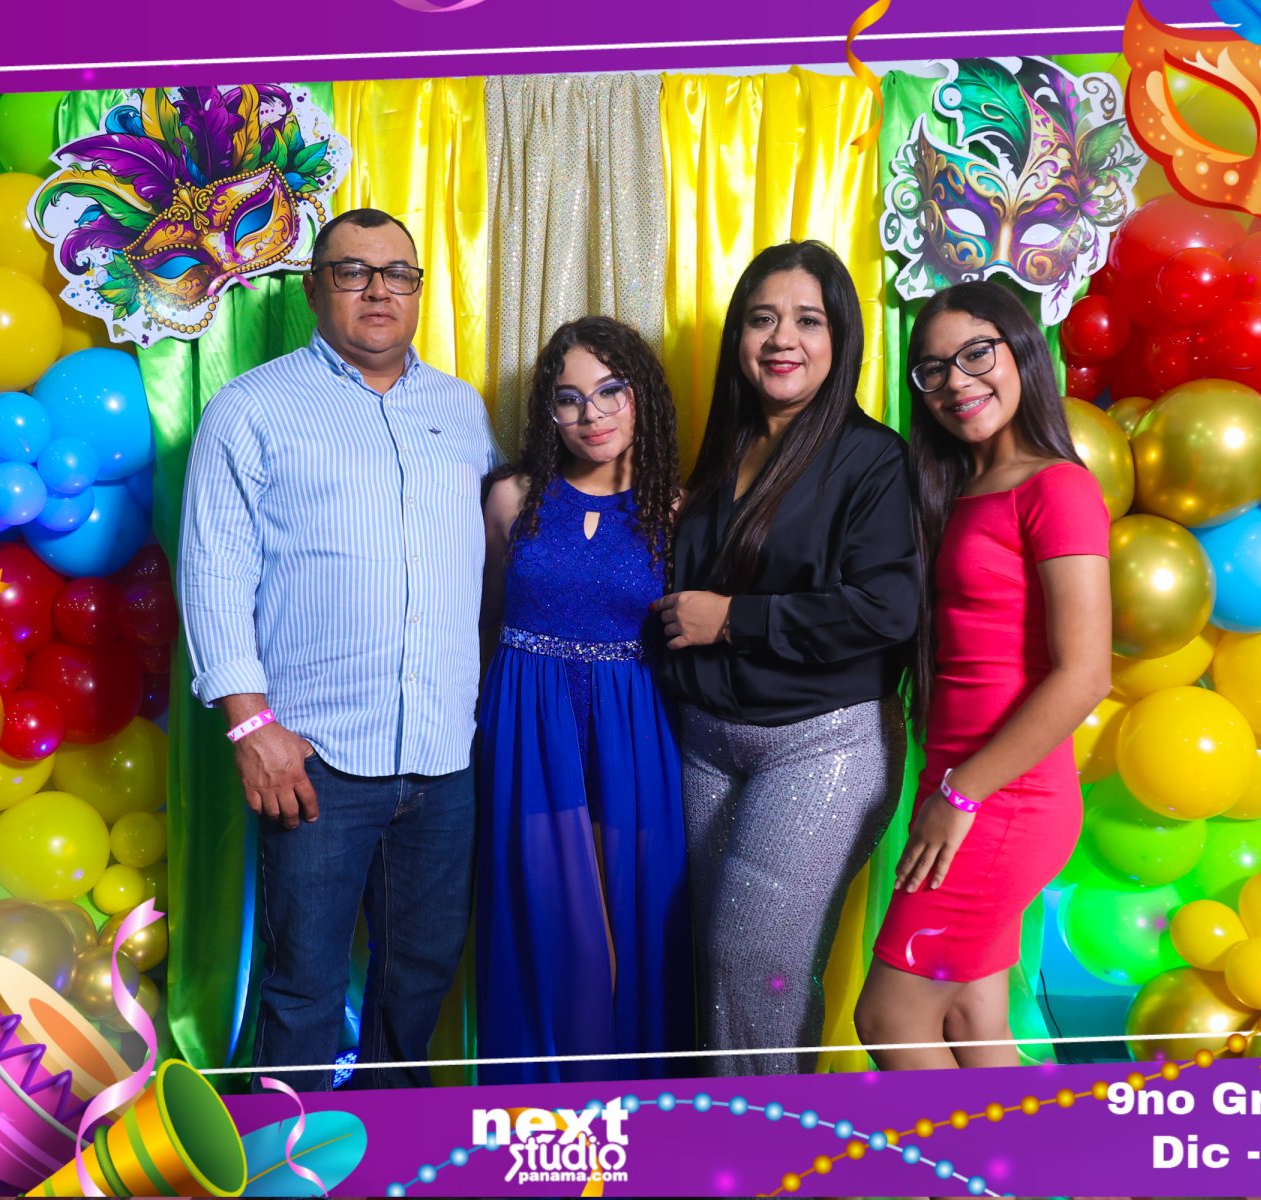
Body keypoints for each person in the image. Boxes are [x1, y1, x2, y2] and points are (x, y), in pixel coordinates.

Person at [178, 208, 500, 1090]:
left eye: (398, 273)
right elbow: (213, 571)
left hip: (444, 757)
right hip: (315, 760)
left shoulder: (461, 410)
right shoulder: (253, 409)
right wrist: (251, 728)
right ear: (315, 288)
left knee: (419, 985)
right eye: (353, 271)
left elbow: (497, 552)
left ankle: (390, 1149)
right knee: (302, 989)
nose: (377, 290)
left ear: (418, 291)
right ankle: (288, 1154)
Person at [655, 240, 921, 1076]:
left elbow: (886, 609)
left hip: (820, 744)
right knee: (715, 969)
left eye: (808, 320)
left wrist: (733, 619)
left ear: (840, 338)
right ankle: (728, 1132)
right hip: (705, 743)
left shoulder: (872, 458)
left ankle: (765, 1142)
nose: (782, 339)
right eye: (763, 319)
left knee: (754, 967)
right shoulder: (726, 450)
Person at [854, 280, 1111, 1069]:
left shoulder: (1058, 486)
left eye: (976, 355)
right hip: (963, 789)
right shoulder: (954, 491)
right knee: (973, 1018)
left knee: (891, 1017)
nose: (957, 382)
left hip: (1001, 800)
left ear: (1021, 352)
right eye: (933, 370)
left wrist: (961, 796)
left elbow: (1085, 674)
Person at [475, 315, 692, 1084]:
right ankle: (543, 1113)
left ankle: (629, 1113)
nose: (591, 414)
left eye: (610, 391)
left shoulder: (677, 512)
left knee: (633, 928)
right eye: (569, 399)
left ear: (643, 397)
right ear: (549, 412)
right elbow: (485, 621)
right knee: (553, 929)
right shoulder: (512, 498)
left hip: (634, 732)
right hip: (528, 731)